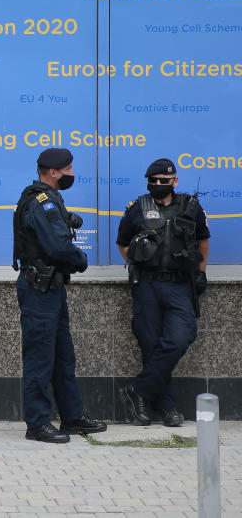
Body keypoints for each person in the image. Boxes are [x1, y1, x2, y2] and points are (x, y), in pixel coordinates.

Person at [12, 148, 106, 443]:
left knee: (63, 356)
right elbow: (57, 247)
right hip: (39, 288)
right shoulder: (43, 202)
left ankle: (71, 416)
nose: (72, 174)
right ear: (54, 172)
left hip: (50, 287)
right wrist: (80, 259)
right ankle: (37, 424)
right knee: (40, 358)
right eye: (69, 169)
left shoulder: (48, 199)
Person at [117, 158, 210, 427]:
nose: (158, 185)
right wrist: (135, 260)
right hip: (147, 284)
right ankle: (166, 406)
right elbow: (123, 243)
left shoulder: (190, 207)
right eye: (153, 181)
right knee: (150, 344)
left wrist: (201, 271)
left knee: (180, 338)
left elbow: (203, 240)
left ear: (175, 181)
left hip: (180, 284)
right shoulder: (137, 208)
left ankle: (139, 390)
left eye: (164, 181)